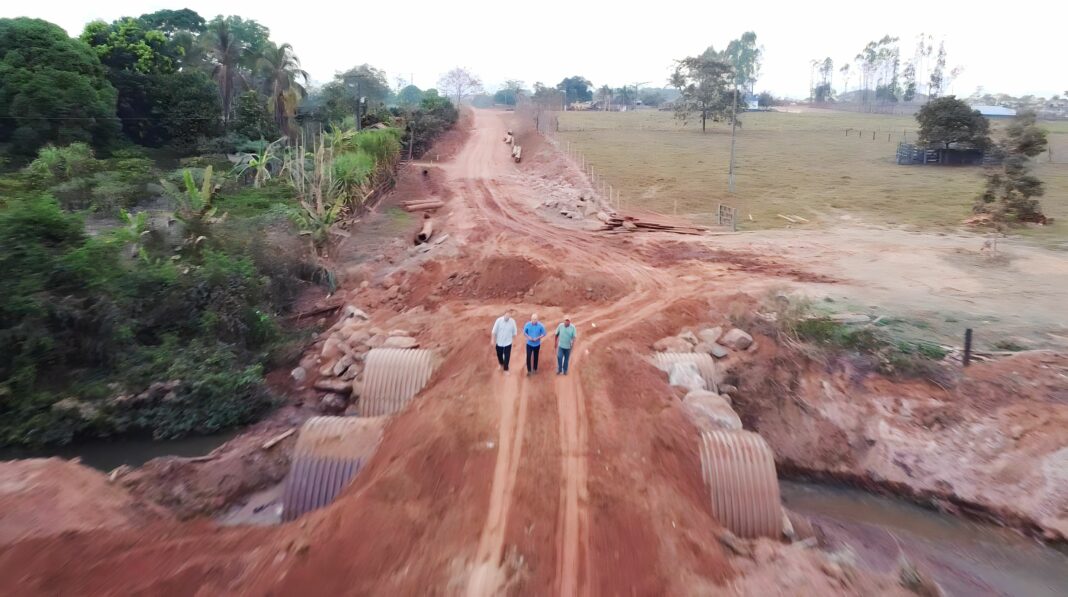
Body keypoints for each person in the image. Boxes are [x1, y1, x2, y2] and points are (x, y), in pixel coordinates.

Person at [491, 309, 518, 374]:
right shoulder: (498, 320)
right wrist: (492, 340)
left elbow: (514, 332)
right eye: (506, 315)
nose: (507, 317)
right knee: (499, 355)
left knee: (507, 356)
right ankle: (501, 363)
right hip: (499, 342)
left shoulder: (512, 322)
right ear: (504, 314)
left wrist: (515, 341)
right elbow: (494, 331)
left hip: (508, 342)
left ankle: (506, 369)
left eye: (509, 316)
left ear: (510, 316)